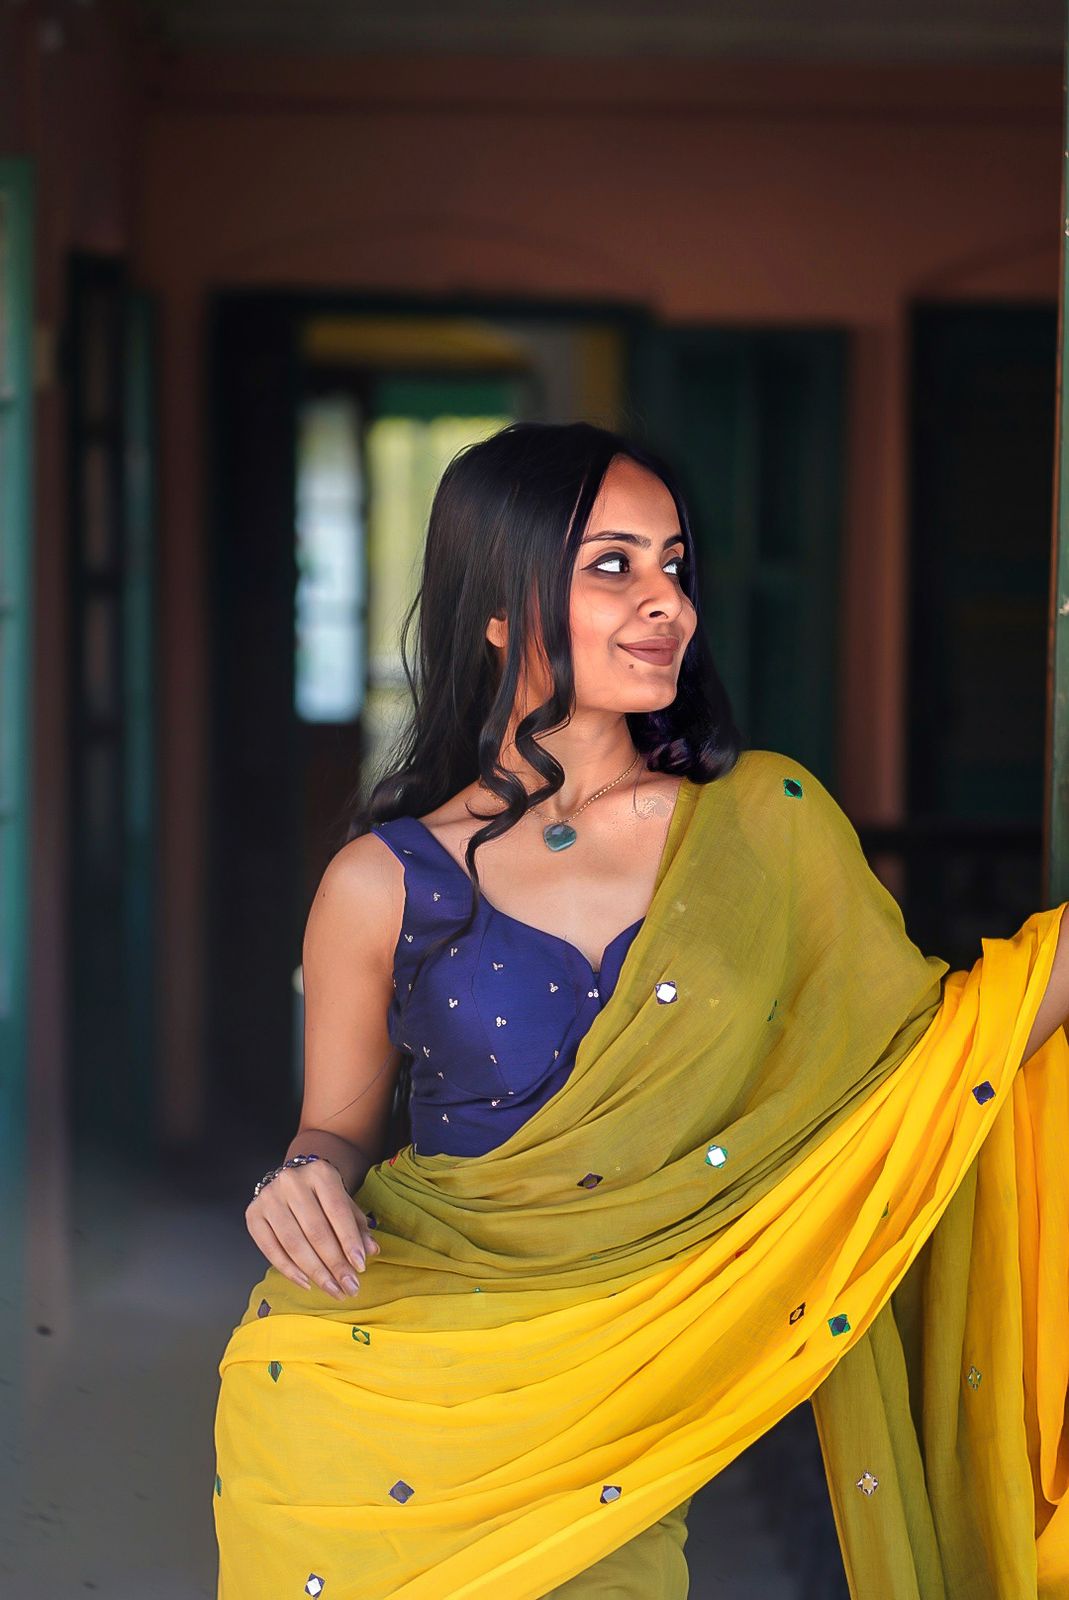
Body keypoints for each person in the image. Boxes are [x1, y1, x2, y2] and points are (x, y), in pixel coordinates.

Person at [213, 421, 1069, 1599]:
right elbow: (333, 1134)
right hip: (382, 1394)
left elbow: (923, 1064)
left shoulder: (760, 826)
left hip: (629, 1394)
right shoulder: (380, 882)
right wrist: (296, 1179)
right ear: (497, 605)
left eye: (673, 563)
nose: (667, 600)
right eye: (612, 565)